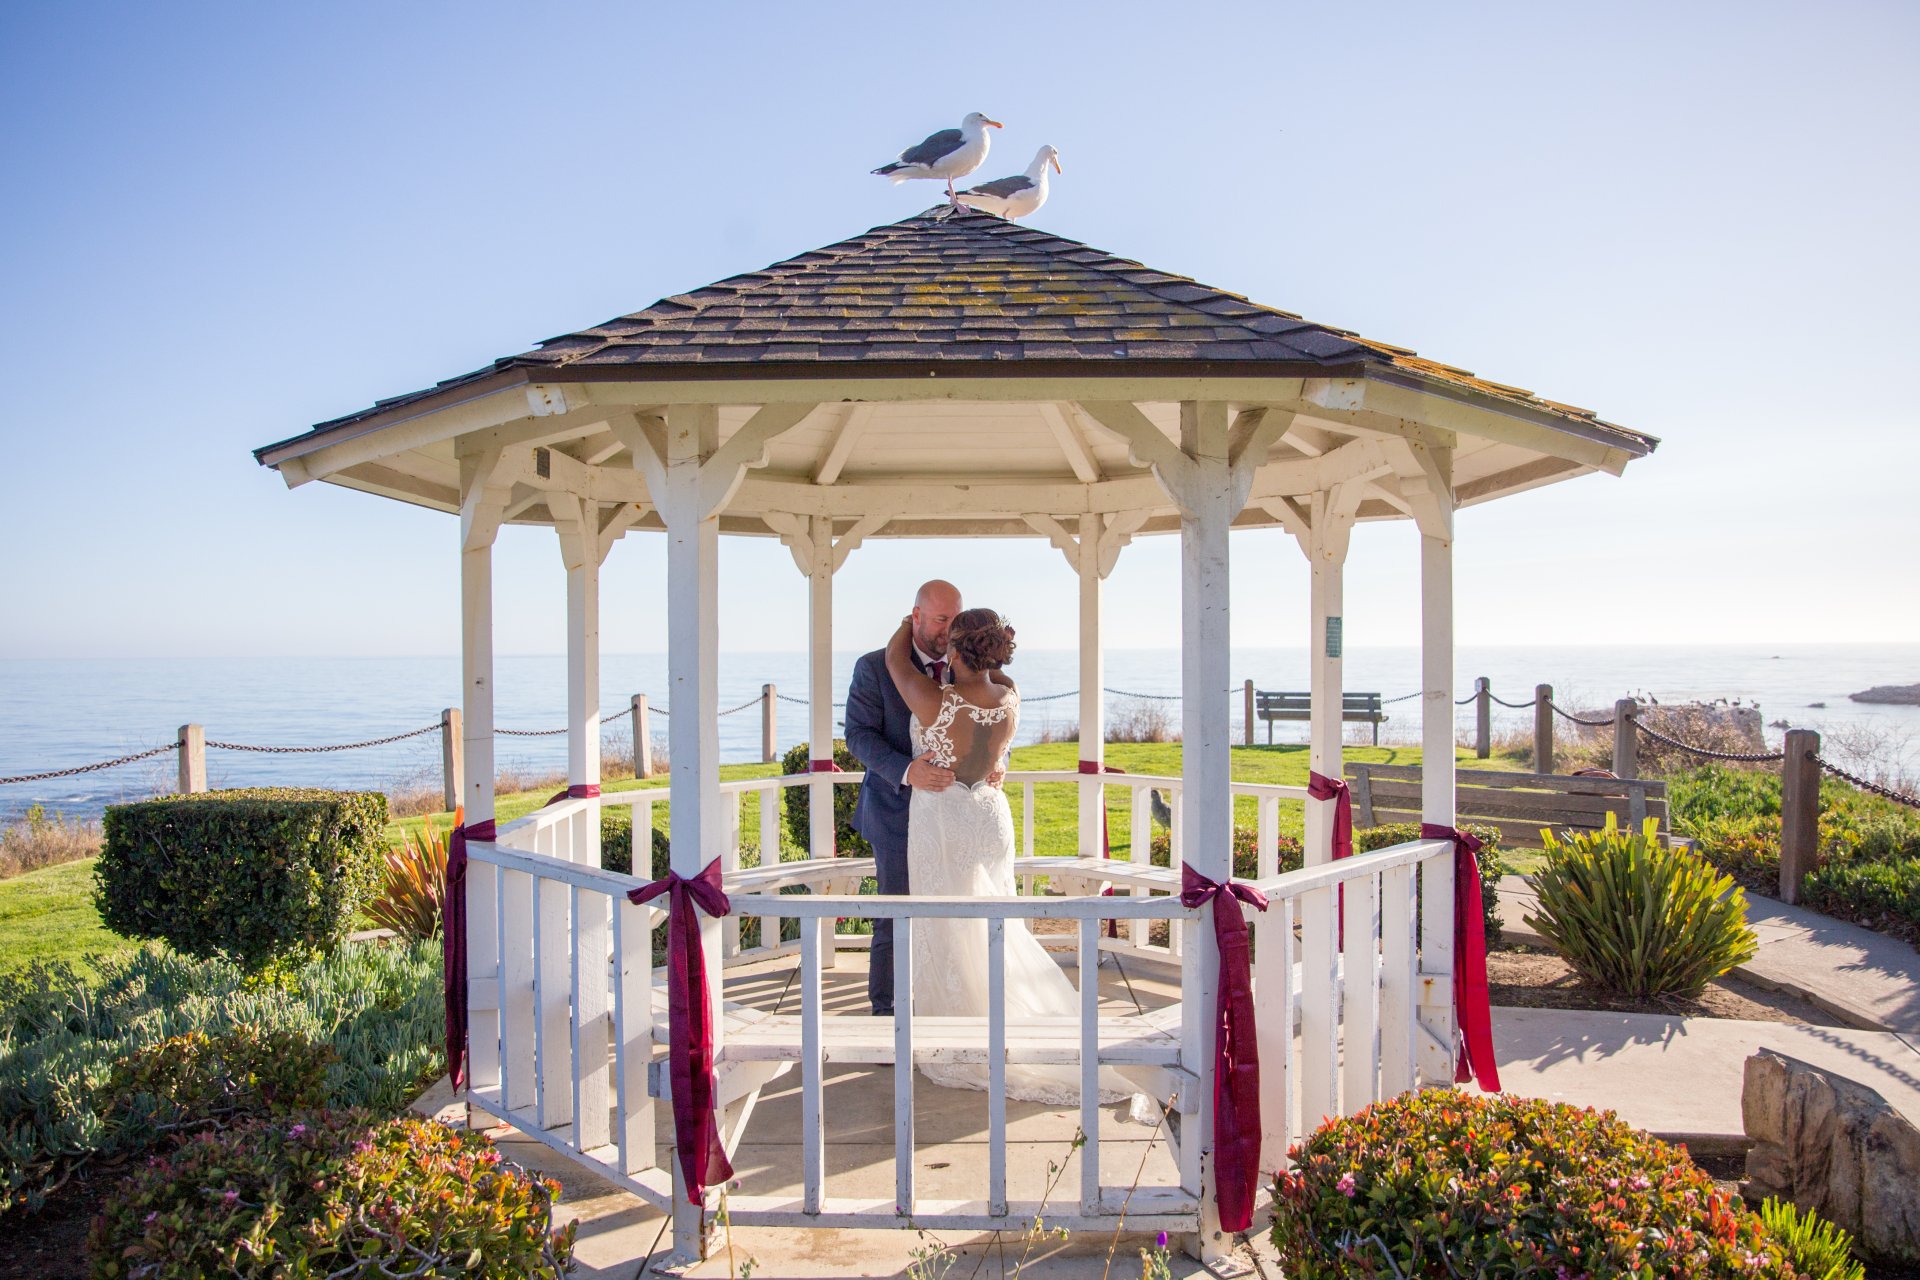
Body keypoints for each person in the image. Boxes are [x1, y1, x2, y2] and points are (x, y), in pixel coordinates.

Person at [880, 607, 1137, 1106]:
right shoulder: (1009, 696)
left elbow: (896, 660)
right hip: (990, 817)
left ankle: (962, 1034)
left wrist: (907, 622)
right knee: (995, 922)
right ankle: (992, 1020)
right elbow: (996, 675)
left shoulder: (936, 701)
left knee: (945, 924)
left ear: (955, 651)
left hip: (944, 821)